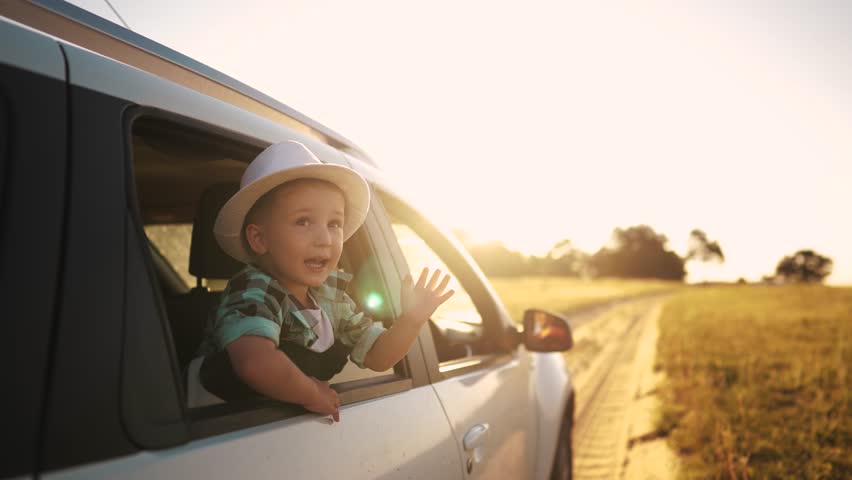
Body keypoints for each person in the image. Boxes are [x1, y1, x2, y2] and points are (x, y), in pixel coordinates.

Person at [193, 140, 454, 421]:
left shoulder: (331, 298)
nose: (324, 239)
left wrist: (411, 319)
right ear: (260, 239)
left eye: (334, 224)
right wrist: (311, 393)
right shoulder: (253, 290)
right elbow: (254, 362)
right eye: (303, 222)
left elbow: (378, 357)